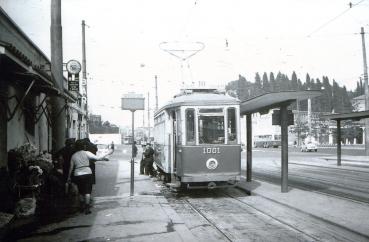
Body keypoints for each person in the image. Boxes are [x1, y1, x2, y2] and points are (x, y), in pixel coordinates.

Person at [67, 141, 112, 214]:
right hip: (87, 172)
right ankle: (87, 208)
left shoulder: (74, 156)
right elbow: (97, 158)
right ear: (83, 146)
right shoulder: (86, 153)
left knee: (80, 191)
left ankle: (81, 206)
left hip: (77, 173)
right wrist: (107, 153)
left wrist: (68, 177)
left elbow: (71, 168)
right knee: (87, 191)